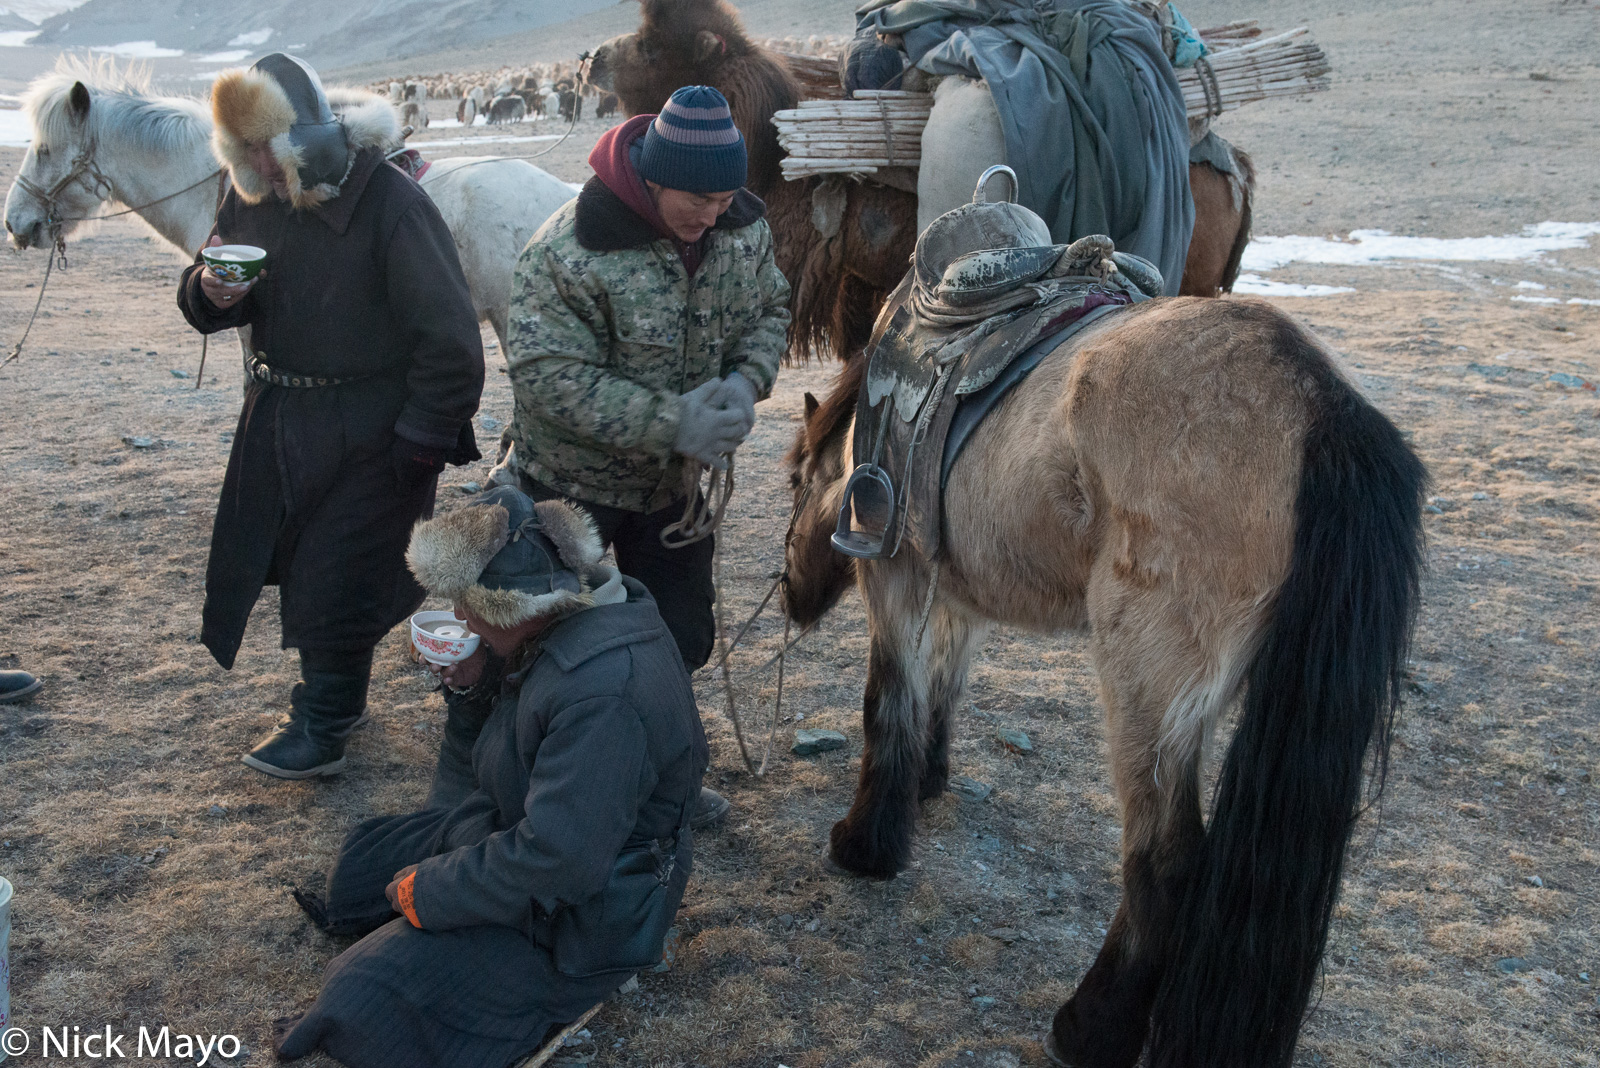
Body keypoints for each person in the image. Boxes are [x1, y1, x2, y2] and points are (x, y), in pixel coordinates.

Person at [274, 487, 708, 1068]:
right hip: (522, 824)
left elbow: (561, 861)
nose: (458, 618)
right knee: (361, 864)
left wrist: (429, 891)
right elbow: (511, 756)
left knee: (359, 998)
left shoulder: (604, 696)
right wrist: (473, 678)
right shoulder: (561, 624)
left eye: (464, 606)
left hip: (586, 915)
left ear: (508, 608)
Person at [176, 54, 485, 779]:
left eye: (267, 145)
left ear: (303, 136)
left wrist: (420, 441)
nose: (257, 164)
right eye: (243, 150)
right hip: (281, 416)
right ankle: (334, 706)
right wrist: (210, 292)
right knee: (295, 558)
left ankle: (324, 720)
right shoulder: (250, 196)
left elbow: (451, 343)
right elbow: (210, 277)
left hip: (372, 426)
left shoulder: (392, 205)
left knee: (336, 572)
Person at [503, 84, 791, 674]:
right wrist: (674, 422)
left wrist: (745, 380)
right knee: (532, 633)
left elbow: (770, 311)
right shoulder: (568, 250)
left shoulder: (742, 234)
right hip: (566, 485)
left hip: (671, 492)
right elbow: (548, 376)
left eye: (726, 198)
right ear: (656, 179)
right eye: (699, 199)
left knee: (680, 637)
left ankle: (648, 744)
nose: (712, 214)